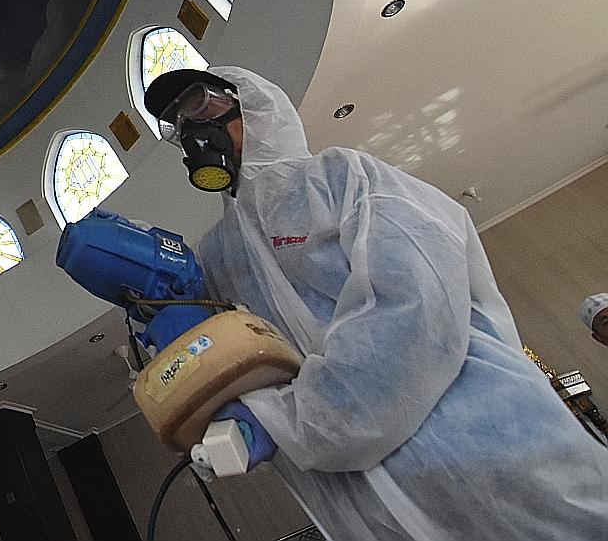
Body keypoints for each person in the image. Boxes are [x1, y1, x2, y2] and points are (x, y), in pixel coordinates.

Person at [142, 65, 608, 541]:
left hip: (498, 461)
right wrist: (169, 313)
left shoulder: (340, 178)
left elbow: (410, 313)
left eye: (202, 106)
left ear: (259, 108)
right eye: (177, 126)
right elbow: (247, 365)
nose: (192, 130)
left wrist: (283, 421)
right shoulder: (220, 254)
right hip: (372, 508)